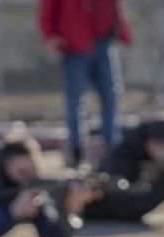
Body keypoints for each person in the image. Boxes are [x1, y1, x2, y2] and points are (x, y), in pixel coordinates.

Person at [39, 0, 131, 167]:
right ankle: (76, 150)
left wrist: (123, 34)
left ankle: (111, 148)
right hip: (75, 43)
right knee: (75, 100)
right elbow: (48, 9)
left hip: (103, 42)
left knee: (110, 95)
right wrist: (50, 35)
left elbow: (113, 7)